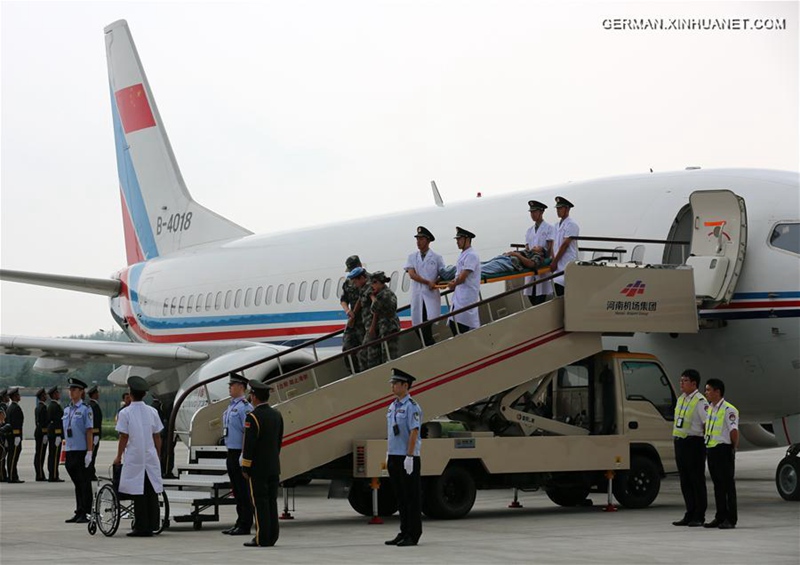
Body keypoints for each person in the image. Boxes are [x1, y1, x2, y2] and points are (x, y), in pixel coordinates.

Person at [114, 375, 164, 537]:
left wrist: (118, 456)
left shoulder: (126, 413)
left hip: (135, 457)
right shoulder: (152, 411)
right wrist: (157, 454)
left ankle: (142, 526)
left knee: (138, 493)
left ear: (130, 392)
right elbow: (157, 436)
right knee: (151, 491)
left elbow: (124, 436)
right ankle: (153, 523)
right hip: (150, 456)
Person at [241, 379, 284, 548]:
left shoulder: (253, 417)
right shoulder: (277, 415)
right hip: (273, 465)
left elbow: (249, 445)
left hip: (258, 468)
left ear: (254, 396)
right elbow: (278, 441)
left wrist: (246, 466)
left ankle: (262, 537)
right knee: (272, 501)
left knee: (260, 503)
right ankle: (273, 535)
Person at [384, 368, 423, 547]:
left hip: (407, 458)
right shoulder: (393, 406)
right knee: (400, 496)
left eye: (395, 383)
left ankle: (413, 534)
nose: (392, 386)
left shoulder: (412, 407)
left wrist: (409, 456)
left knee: (411, 497)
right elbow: (392, 432)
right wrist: (388, 453)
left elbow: (414, 432)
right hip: (394, 455)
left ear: (405, 385)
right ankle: (403, 531)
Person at [672, 368, 709, 527]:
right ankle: (690, 512)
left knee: (696, 480)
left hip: (695, 442)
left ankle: (699, 515)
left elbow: (707, 423)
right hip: (680, 442)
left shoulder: (700, 401)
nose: (681, 383)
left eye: (685, 380)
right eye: (681, 380)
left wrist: (706, 443)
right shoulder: (681, 399)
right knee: (685, 480)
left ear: (694, 383)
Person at [703, 378, 739, 529]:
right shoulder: (710, 408)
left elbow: (734, 431)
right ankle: (720, 516)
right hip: (712, 448)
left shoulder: (729, 409)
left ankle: (731, 518)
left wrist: (732, 449)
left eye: (708, 390)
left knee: (727, 485)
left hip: (723, 449)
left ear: (717, 392)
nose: (706, 393)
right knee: (717, 485)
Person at [221, 372, 254, 536]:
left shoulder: (245, 407)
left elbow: (247, 433)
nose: (229, 388)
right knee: (236, 489)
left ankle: (246, 523)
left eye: (232, 385)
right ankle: (239, 521)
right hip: (231, 452)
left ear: (241, 387)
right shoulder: (231, 406)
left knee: (243, 490)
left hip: (239, 452)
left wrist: (244, 454)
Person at [404, 226, 445, 346]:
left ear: (427, 241)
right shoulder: (412, 257)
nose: (418, 242)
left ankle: (430, 348)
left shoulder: (437, 257)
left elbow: (443, 273)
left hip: (430, 296)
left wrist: (437, 282)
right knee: (417, 326)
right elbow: (412, 274)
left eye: (421, 239)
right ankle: (429, 347)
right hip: (418, 296)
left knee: (426, 326)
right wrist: (428, 282)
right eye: (417, 239)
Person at [62, 378, 94, 523]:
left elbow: (89, 431)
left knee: (84, 483)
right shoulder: (67, 409)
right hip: (70, 450)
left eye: (74, 389)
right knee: (77, 483)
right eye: (70, 389)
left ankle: (86, 512)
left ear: (81, 392)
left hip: (81, 451)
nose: (71, 392)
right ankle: (79, 510)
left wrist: (89, 451)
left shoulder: (85, 409)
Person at [447, 226, 481, 336]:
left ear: (467, 239)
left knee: (461, 327)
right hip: (460, 298)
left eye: (459, 239)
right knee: (455, 325)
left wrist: (453, 284)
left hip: (466, 298)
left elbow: (463, 276)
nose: (457, 242)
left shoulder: (471, 255)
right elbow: (458, 274)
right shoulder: (464, 254)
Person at [366, 271, 401, 369]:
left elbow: (374, 308)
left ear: (377, 282)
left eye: (373, 283)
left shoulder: (384, 294)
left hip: (389, 328)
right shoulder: (385, 292)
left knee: (389, 356)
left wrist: (372, 297)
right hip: (387, 328)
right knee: (386, 355)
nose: (372, 286)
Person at [523, 199, 554, 305]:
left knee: (541, 297)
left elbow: (551, 249)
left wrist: (542, 249)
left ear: (541, 212)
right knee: (530, 295)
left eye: (534, 212)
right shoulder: (529, 231)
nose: (532, 214)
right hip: (531, 265)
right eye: (531, 212)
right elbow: (527, 248)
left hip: (542, 266)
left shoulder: (549, 228)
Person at [340, 255, 366, 372]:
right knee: (347, 347)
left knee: (364, 348)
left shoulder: (367, 279)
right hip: (353, 320)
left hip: (364, 319)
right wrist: (347, 311)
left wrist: (353, 314)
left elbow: (362, 298)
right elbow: (343, 300)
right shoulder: (348, 283)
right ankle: (353, 371)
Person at [550, 196, 580, 297]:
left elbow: (565, 245)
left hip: (566, 263)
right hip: (558, 265)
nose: (558, 211)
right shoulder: (556, 225)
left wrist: (554, 262)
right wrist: (553, 259)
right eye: (557, 209)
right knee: (558, 292)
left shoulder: (571, 224)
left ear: (567, 209)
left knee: (566, 294)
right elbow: (554, 245)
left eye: (560, 208)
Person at [347, 267, 372, 372]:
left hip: (374, 327)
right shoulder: (363, 289)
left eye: (355, 281)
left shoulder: (369, 289)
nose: (354, 284)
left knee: (364, 354)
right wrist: (353, 316)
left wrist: (373, 328)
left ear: (362, 278)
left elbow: (375, 309)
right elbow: (359, 301)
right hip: (369, 327)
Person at [5, 387, 25, 483]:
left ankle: (13, 475)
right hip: (14, 436)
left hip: (11, 436)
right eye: (18, 395)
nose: (19, 396)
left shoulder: (10, 408)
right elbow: (16, 423)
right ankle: (12, 477)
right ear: (14, 396)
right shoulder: (15, 408)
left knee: (11, 456)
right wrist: (17, 435)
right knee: (13, 457)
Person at [46, 385, 65, 482]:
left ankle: (52, 474)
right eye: (57, 393)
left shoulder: (51, 405)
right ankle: (53, 475)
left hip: (52, 433)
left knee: (52, 455)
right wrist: (58, 434)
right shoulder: (55, 406)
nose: (59, 394)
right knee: (55, 455)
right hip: (55, 433)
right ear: (54, 394)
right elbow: (57, 421)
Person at [87, 385, 103, 481]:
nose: (98, 394)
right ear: (93, 395)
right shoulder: (93, 406)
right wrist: (96, 434)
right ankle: (90, 473)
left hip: (93, 434)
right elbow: (94, 422)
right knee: (92, 455)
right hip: (94, 434)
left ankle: (90, 472)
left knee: (92, 454)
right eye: (97, 393)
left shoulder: (90, 405)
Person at [34, 387, 49, 481]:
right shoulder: (43, 408)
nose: (46, 396)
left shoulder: (38, 407)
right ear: (42, 397)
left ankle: (40, 474)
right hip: (42, 433)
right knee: (40, 455)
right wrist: (45, 433)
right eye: (45, 395)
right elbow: (43, 422)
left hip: (39, 432)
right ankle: (39, 475)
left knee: (39, 454)